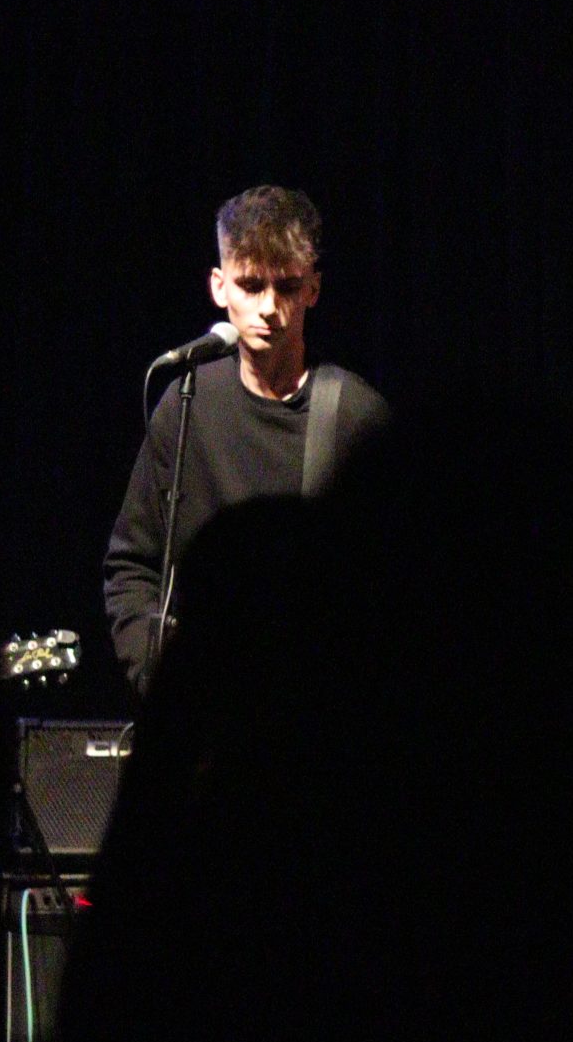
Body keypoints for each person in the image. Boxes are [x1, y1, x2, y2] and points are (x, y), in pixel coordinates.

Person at [104, 185, 390, 696]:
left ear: (313, 289)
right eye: (251, 286)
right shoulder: (185, 402)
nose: (269, 308)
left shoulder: (356, 417)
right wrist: (164, 679)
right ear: (219, 287)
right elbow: (132, 566)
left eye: (287, 287)